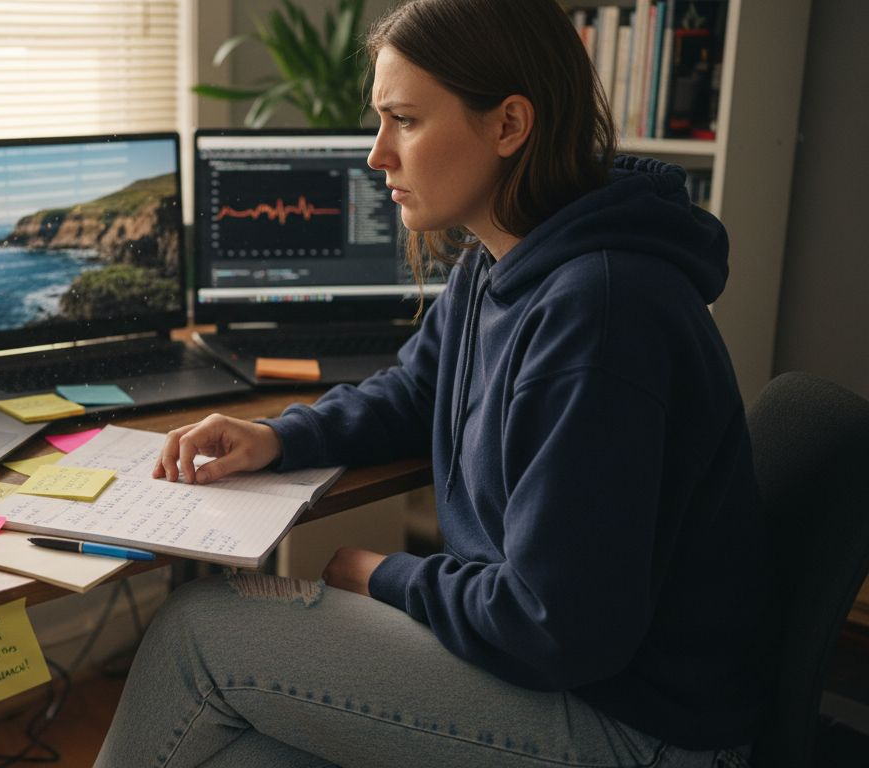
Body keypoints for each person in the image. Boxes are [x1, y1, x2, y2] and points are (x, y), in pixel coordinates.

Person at [93, 0, 768, 765]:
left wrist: (384, 575)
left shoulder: (601, 314)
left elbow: (555, 626)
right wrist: (279, 435)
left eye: (404, 121)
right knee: (233, 753)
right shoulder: (501, 256)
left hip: (633, 723)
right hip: (555, 671)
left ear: (509, 125)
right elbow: (417, 391)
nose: (377, 155)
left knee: (196, 638)